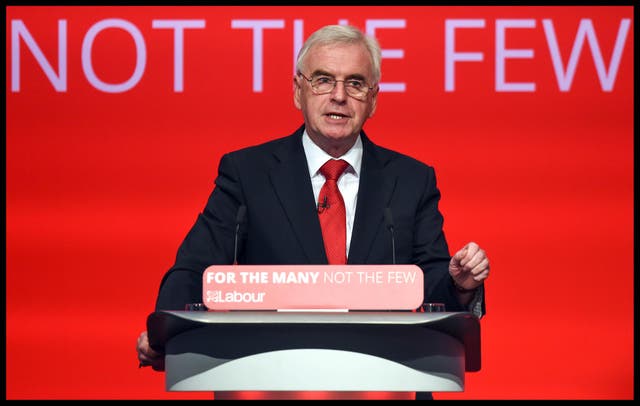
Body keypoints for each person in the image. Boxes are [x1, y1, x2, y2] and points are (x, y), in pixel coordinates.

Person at [137, 24, 490, 400]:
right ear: (297, 90)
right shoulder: (248, 173)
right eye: (323, 80)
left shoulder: (411, 179)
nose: (339, 96)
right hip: (269, 384)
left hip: (388, 385)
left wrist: (460, 286)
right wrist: (165, 334)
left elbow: (431, 283)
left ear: (373, 100)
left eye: (355, 83)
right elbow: (194, 268)